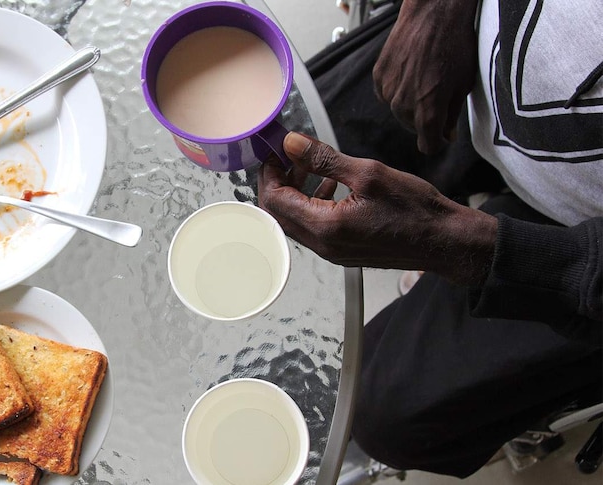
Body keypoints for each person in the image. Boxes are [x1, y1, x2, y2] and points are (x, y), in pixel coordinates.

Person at [257, 0, 602, 477]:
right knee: (262, 161)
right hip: (481, 41)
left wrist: (462, 245)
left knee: (379, 408)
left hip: (577, 243)